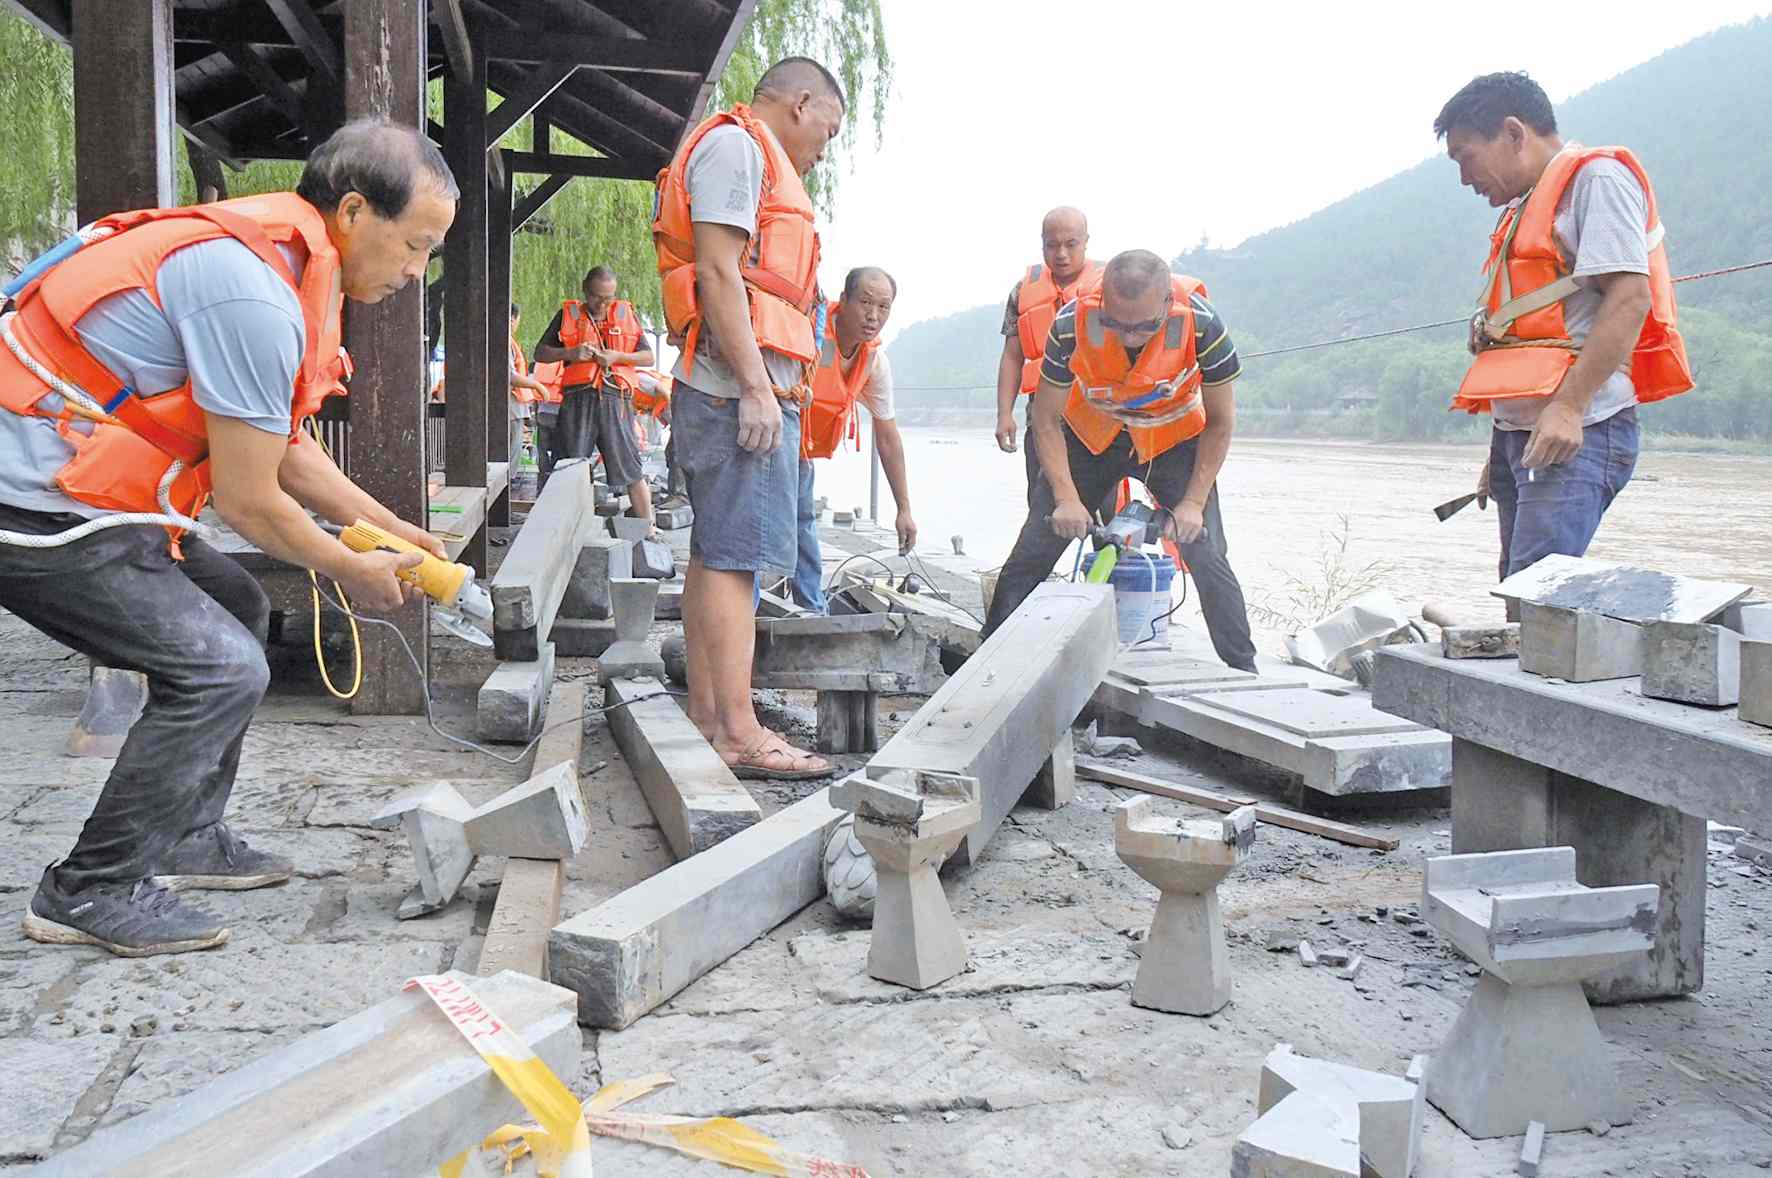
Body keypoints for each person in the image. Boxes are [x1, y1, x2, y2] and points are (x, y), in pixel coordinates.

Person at [0, 119, 458, 956]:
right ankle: (89, 888)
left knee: (238, 604)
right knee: (219, 667)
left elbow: (283, 448)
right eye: (416, 246)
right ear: (353, 211)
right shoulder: (251, 292)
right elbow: (250, 502)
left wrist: (391, 528)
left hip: (97, 500)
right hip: (31, 504)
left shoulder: (282, 267)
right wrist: (350, 568)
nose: (415, 274)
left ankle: (183, 833)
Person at [653, 56, 843, 779]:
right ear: (800, 104)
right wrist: (759, 387)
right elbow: (718, 272)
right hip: (736, 391)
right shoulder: (738, 147)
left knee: (715, 554)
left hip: (728, 387)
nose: (827, 143)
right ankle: (739, 730)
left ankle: (710, 716)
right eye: (829, 125)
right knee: (737, 563)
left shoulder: (740, 151)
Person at [1435, 72, 1691, 582]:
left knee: (1537, 596)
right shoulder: (1525, 206)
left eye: (1465, 156)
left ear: (1512, 133)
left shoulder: (1597, 180)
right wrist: (1501, 448)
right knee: (1517, 587)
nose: (1465, 178)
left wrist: (1569, 408)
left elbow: (1629, 297)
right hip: (1524, 434)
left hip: (1580, 427)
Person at [981, 250, 1258, 673]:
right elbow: (1046, 419)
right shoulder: (1071, 322)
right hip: (1092, 434)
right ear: (1102, 303)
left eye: (1144, 327)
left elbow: (1220, 423)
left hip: (1172, 438)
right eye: (1115, 324)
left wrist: (1193, 504)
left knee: (1207, 553)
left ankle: (1243, 670)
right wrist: (1067, 498)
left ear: (1168, 303)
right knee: (1036, 545)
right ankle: (988, 659)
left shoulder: (1204, 324)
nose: (1129, 337)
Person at [785, 266, 916, 612]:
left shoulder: (874, 362)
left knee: (803, 525)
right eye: (865, 302)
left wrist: (904, 509)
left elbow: (887, 438)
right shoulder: (804, 333)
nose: (873, 316)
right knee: (765, 531)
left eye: (883, 307)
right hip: (769, 437)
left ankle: (812, 612)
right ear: (843, 301)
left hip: (801, 454)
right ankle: (745, 619)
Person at [532, 266, 657, 530]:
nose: (603, 303)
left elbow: (648, 357)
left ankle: (649, 528)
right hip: (578, 401)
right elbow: (540, 353)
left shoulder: (626, 314)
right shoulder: (567, 315)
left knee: (631, 468)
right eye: (598, 297)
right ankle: (564, 529)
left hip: (616, 400)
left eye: (609, 297)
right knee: (569, 467)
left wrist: (617, 357)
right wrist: (571, 353)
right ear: (585, 291)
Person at [994, 207, 1102, 502]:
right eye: (1052, 245)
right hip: (1043, 419)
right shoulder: (1022, 291)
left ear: (1086, 241)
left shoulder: (1110, 286)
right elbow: (1013, 357)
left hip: (1103, 421)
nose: (1061, 254)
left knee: (1106, 520)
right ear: (1042, 243)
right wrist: (1005, 414)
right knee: (1043, 509)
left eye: (1071, 244)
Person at [506, 302, 550, 470]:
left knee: (513, 452)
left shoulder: (507, 342)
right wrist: (537, 386)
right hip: (511, 407)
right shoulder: (506, 343)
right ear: (512, 320)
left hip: (515, 407)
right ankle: (507, 491)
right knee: (511, 455)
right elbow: (510, 376)